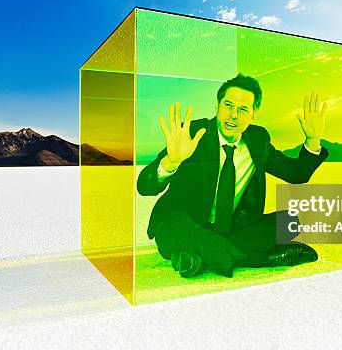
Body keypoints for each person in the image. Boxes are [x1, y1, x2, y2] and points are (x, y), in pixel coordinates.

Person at [137, 73, 328, 278]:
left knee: (289, 221)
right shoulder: (193, 133)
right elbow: (145, 187)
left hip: (232, 229)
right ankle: (262, 258)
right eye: (228, 105)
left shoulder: (258, 139)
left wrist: (313, 140)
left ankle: (199, 258)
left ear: (253, 114)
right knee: (175, 225)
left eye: (243, 109)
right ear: (217, 106)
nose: (233, 115)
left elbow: (296, 174)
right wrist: (171, 161)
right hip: (186, 226)